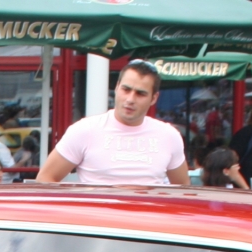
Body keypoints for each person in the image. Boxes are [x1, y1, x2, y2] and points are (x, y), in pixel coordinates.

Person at [35, 60, 189, 186]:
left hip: (149, 221)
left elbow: (183, 189)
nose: (130, 99)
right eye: (126, 90)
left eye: (140, 93)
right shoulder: (85, 130)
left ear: (154, 98)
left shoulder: (169, 136)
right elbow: (45, 179)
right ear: (116, 88)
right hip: (97, 221)